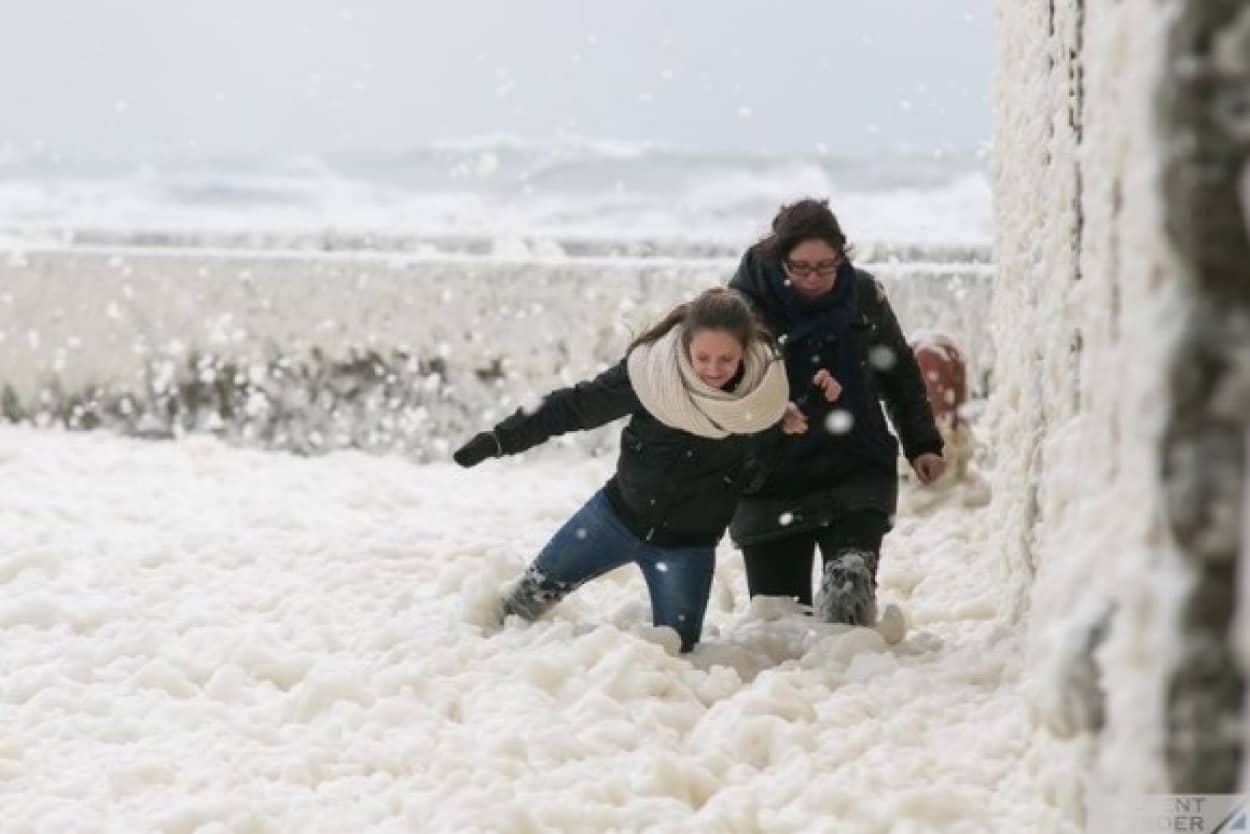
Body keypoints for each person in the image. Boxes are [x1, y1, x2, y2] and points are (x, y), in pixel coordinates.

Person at [452, 288, 791, 652]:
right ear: (685, 345)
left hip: (687, 548)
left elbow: (759, 470)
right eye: (702, 357)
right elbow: (574, 407)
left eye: (726, 359)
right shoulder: (652, 376)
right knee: (518, 609)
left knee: (677, 653)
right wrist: (500, 440)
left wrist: (774, 437)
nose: (712, 370)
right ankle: (474, 663)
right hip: (611, 520)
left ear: (744, 351)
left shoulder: (761, 402)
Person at [727, 198, 945, 626]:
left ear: (842, 256)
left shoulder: (863, 295)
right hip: (772, 476)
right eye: (800, 267)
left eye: (826, 266)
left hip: (854, 465)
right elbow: (719, 388)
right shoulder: (742, 307)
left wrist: (923, 444)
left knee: (849, 600)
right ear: (779, 258)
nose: (814, 278)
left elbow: (898, 370)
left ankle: (864, 684)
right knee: (780, 624)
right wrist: (775, 408)